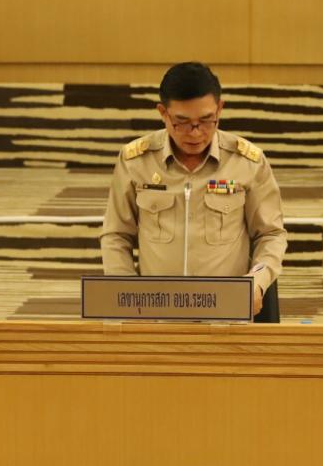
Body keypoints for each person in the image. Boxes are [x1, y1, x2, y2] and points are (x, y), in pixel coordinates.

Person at [99, 62, 288, 316]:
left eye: (207, 121)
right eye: (182, 122)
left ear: (220, 109)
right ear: (163, 113)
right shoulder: (136, 161)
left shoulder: (247, 162)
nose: (195, 133)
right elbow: (116, 235)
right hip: (155, 317)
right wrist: (126, 293)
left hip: (226, 317)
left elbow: (270, 235)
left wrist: (258, 280)